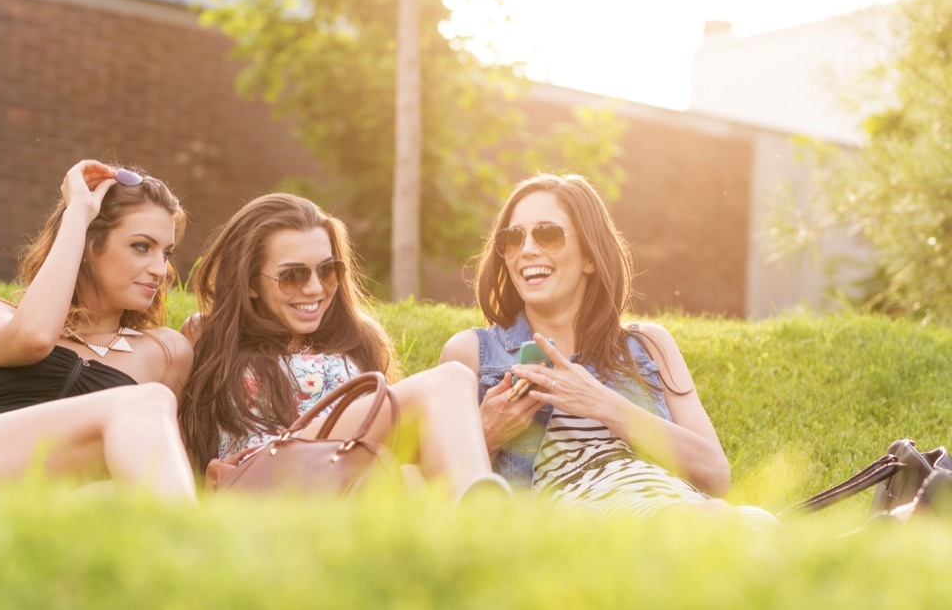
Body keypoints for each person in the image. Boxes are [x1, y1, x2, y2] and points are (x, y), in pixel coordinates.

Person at [441, 173, 775, 523]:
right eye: (512, 238)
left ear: (590, 257)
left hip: (686, 510)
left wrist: (601, 402)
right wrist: (487, 433)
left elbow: (715, 474)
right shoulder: (472, 355)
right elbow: (436, 497)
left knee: (757, 522)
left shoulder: (649, 346)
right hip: (594, 533)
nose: (526, 250)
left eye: (548, 234)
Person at [0, 159, 196, 500]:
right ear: (87, 244)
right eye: (141, 246)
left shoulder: (167, 352)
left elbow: (156, 462)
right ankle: (190, 542)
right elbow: (34, 338)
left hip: (54, 497)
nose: (160, 269)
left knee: (110, 493)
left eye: (166, 253)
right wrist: (78, 212)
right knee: (145, 402)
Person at [179, 193, 506, 499]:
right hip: (265, 480)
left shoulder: (360, 338)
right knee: (449, 379)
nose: (314, 288)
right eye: (292, 276)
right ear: (250, 282)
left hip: (347, 483)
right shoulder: (209, 333)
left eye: (328, 271)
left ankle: (472, 535)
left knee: (410, 478)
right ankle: (482, 518)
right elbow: (180, 439)